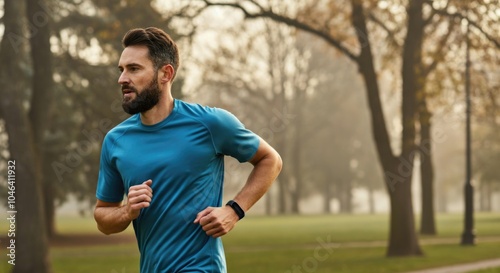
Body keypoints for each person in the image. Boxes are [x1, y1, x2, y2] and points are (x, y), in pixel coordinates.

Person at [93, 27, 282, 273]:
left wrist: (234, 210)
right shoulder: (116, 140)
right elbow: (103, 219)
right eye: (122, 70)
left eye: (134, 69)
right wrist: (128, 211)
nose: (122, 79)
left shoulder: (211, 124)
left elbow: (271, 160)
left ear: (165, 74)